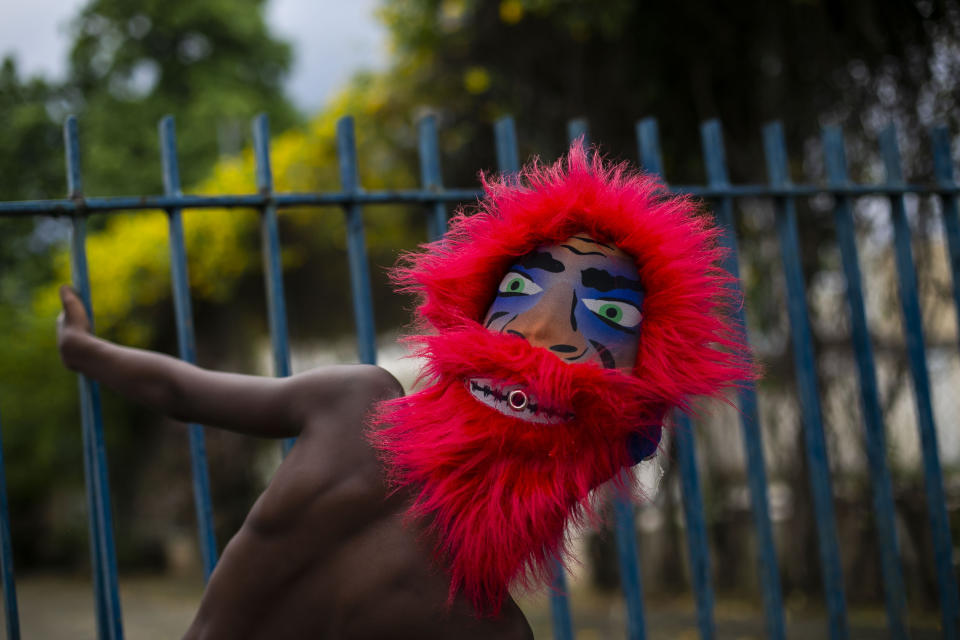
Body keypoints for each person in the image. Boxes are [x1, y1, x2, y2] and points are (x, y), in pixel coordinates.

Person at [57, 143, 751, 638]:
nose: (539, 335)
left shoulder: (349, 402)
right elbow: (185, 389)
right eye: (519, 290)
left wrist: (84, 350)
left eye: (608, 316)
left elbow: (183, 390)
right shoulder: (352, 407)